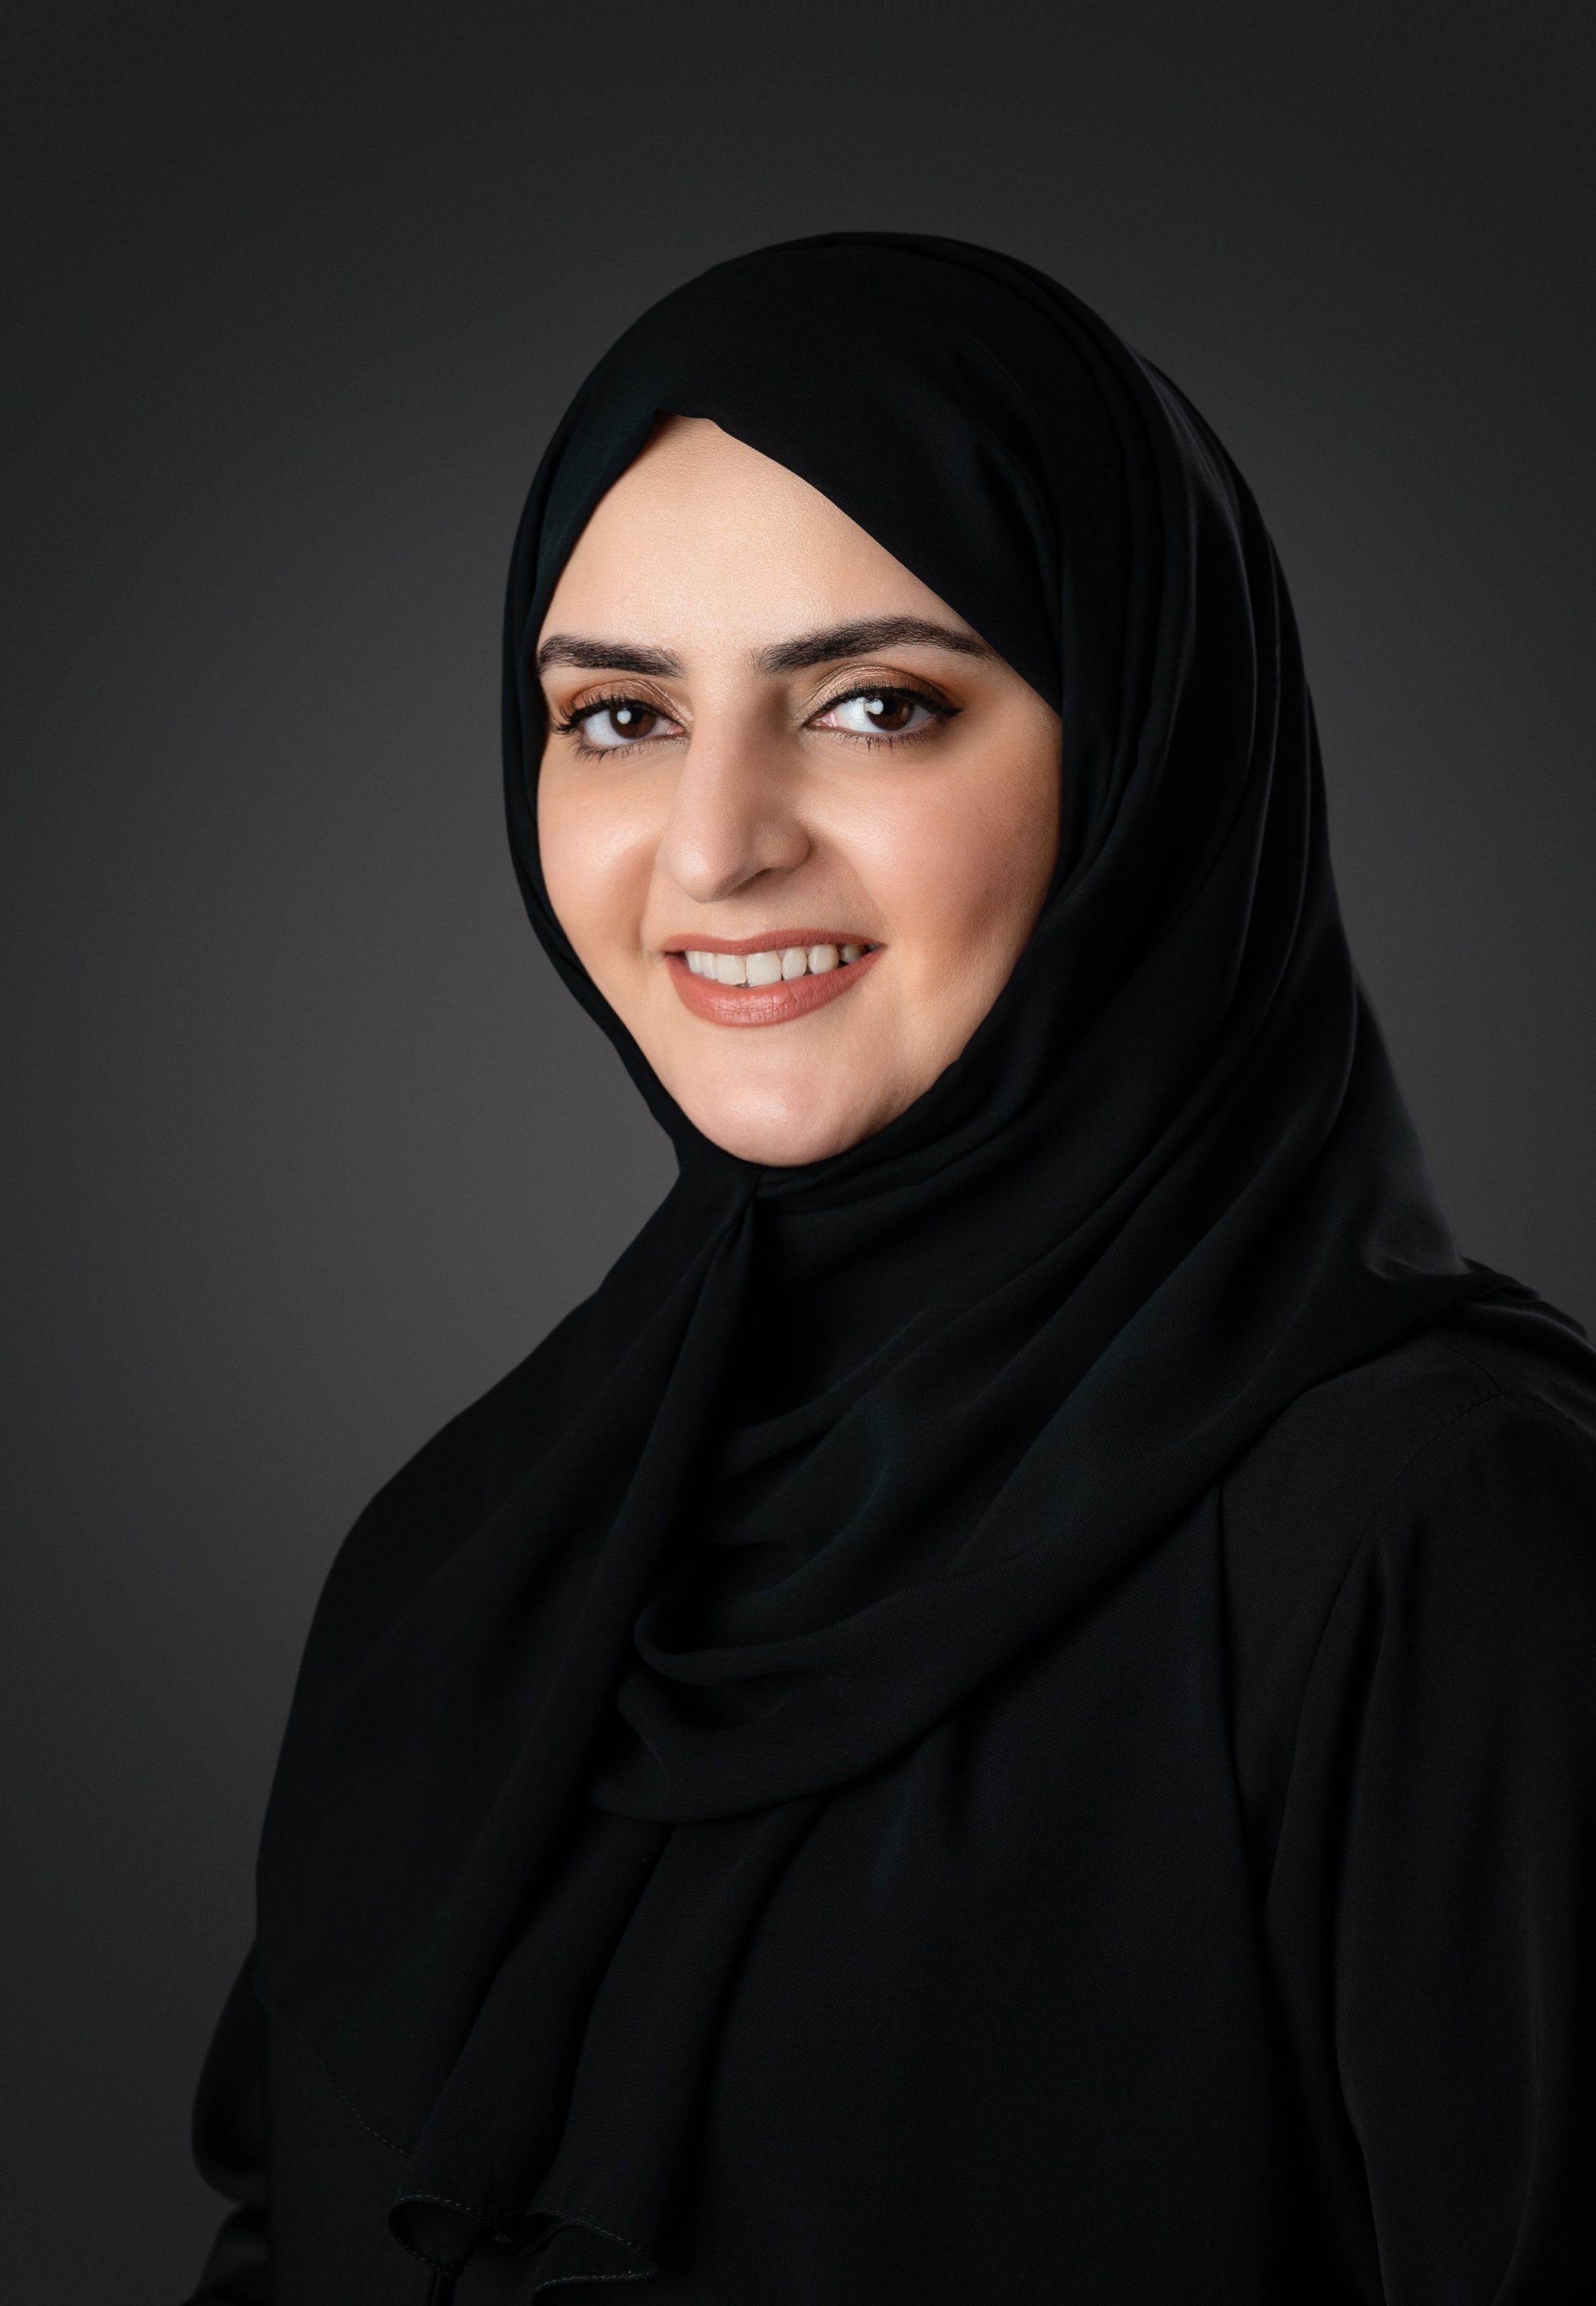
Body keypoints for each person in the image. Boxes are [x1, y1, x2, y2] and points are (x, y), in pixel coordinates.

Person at [184, 235, 1596, 2305]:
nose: (713, 847)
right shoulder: (474, 1550)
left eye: (874, 705)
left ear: (1142, 754)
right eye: (617, 716)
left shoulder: (1427, 1534)